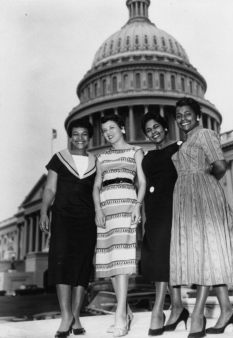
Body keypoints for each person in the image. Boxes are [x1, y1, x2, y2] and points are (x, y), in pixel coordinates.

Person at [170, 97, 233, 338]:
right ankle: (226, 310)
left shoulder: (205, 134)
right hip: (187, 200)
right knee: (204, 251)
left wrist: (202, 183)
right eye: (179, 115)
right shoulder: (185, 141)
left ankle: (198, 314)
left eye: (188, 114)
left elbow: (221, 166)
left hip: (203, 196)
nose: (183, 118)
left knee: (204, 252)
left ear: (197, 116)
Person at [39, 117, 97, 338]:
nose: (80, 138)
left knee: (82, 268)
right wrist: (44, 211)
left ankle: (76, 315)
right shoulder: (59, 158)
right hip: (63, 218)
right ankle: (65, 317)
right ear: (70, 136)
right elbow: (50, 188)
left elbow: (97, 191)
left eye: (84, 134)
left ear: (90, 137)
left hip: (86, 220)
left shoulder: (96, 162)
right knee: (61, 266)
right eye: (76, 134)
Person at [93, 114, 146, 337]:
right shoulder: (101, 157)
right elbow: (96, 186)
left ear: (122, 128)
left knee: (122, 260)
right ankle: (127, 312)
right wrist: (97, 209)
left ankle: (120, 316)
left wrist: (137, 206)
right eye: (105, 130)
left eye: (112, 128)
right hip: (106, 207)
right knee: (112, 264)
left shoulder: (135, 151)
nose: (108, 133)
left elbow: (142, 181)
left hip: (126, 204)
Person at [140, 111, 189, 336]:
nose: (153, 132)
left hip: (174, 207)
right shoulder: (147, 157)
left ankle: (158, 310)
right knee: (162, 256)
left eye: (156, 127)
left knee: (164, 256)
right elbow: (145, 186)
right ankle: (177, 306)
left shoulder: (180, 147)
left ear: (165, 127)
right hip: (154, 210)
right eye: (148, 130)